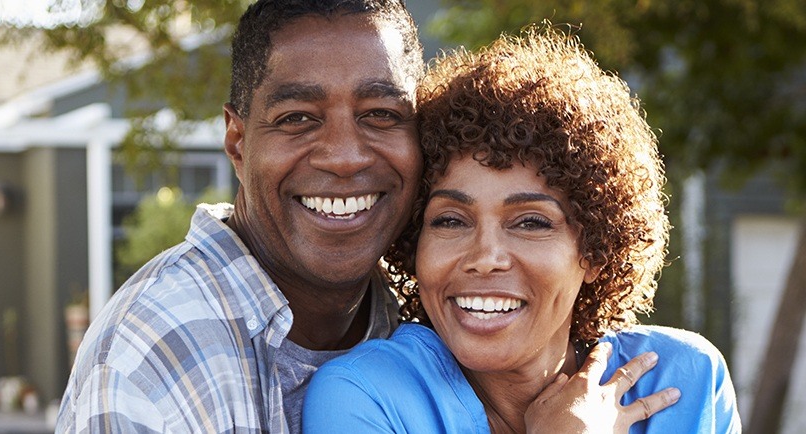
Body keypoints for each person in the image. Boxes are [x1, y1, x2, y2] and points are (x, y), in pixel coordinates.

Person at [303, 30, 741, 433]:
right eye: (450, 220)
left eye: (531, 222)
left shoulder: (687, 380)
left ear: (594, 251)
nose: (485, 256)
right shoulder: (364, 397)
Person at [56, 1, 425, 432]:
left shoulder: (439, 323)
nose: (344, 158)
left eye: (381, 114)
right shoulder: (149, 362)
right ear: (237, 143)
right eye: (298, 118)